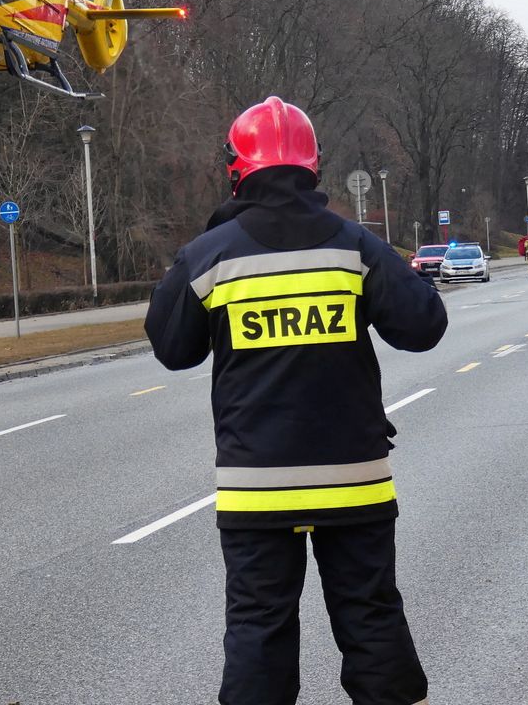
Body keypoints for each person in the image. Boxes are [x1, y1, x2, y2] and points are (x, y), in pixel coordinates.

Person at [145, 96, 446, 705]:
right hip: (353, 479)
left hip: (257, 484)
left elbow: (173, 349)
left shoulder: (210, 256)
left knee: (259, 626)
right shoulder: (355, 247)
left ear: (237, 169)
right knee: (369, 616)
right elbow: (423, 327)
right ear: (313, 168)